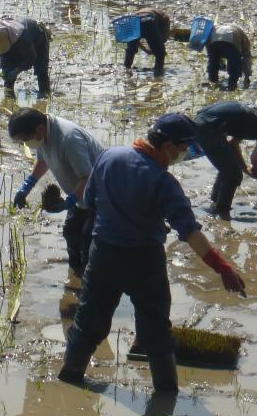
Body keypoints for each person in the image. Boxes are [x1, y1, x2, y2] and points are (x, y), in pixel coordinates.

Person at [58, 114, 247, 392]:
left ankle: (70, 379)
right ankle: (165, 396)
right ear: (168, 145)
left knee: (88, 323)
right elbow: (191, 233)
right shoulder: (163, 183)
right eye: (183, 148)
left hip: (103, 256)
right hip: (144, 262)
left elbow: (89, 199)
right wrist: (222, 268)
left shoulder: (109, 157)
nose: (184, 153)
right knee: (156, 330)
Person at [8, 108, 104, 275]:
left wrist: (70, 201)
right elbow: (43, 160)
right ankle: (76, 278)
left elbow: (88, 177)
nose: (25, 145)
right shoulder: (43, 135)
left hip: (100, 197)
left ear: (39, 129)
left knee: (89, 243)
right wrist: (28, 184)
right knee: (71, 234)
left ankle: (90, 286)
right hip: (80, 196)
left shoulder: (69, 139)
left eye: (24, 140)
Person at [0, 17, 51, 95]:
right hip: (15, 41)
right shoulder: (0, 34)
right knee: (8, 70)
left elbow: (31, 58)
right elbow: (4, 56)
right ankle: (9, 95)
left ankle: (44, 94)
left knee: (41, 70)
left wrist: (17, 70)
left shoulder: (23, 38)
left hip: (38, 38)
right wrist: (5, 70)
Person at [116, 7, 170, 75]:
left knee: (131, 50)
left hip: (134, 20)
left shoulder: (150, 13)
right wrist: (158, 47)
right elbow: (165, 37)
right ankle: (158, 75)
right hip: (149, 20)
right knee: (160, 54)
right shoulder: (165, 18)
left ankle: (126, 70)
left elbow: (135, 39)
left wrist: (146, 50)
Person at [204, 23, 253, 89]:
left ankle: (213, 82)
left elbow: (212, 55)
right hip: (231, 39)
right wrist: (247, 75)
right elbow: (246, 56)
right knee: (234, 65)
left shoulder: (217, 27)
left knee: (213, 63)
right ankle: (232, 85)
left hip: (213, 40)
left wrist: (217, 63)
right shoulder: (243, 36)